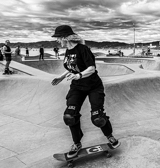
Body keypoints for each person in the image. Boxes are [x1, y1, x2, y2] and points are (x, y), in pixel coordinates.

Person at [51, 25, 120, 158]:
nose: (57, 41)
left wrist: (79, 75)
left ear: (65, 37)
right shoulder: (67, 50)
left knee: (98, 118)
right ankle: (77, 144)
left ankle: (109, 136)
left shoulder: (83, 49)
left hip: (93, 86)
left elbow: (91, 68)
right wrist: (62, 76)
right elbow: (72, 67)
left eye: (58, 38)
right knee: (69, 116)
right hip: (77, 87)